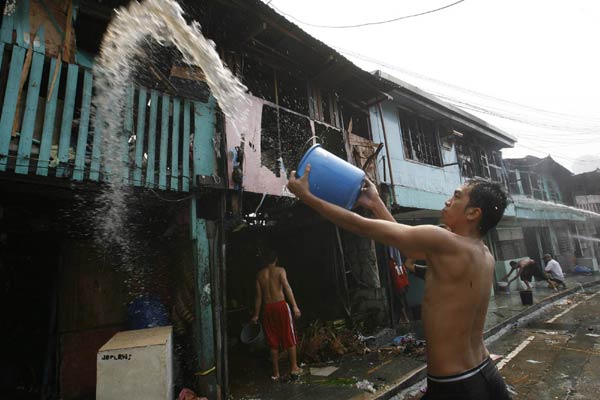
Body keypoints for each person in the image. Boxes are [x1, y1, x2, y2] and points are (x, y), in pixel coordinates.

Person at [288, 165, 511, 399]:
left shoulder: (444, 241)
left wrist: (307, 196)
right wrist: (375, 202)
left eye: (456, 196)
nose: (447, 201)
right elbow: (408, 244)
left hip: (455, 385)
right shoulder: (482, 253)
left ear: (473, 213)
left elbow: (359, 225)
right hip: (484, 374)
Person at [250, 249, 302, 380]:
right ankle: (294, 367)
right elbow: (287, 287)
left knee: (272, 341)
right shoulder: (280, 271)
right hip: (280, 306)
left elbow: (258, 297)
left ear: (265, 260)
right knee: (289, 336)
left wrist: (256, 315)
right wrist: (295, 306)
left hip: (267, 309)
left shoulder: (259, 275)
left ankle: (276, 373)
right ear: (276, 259)